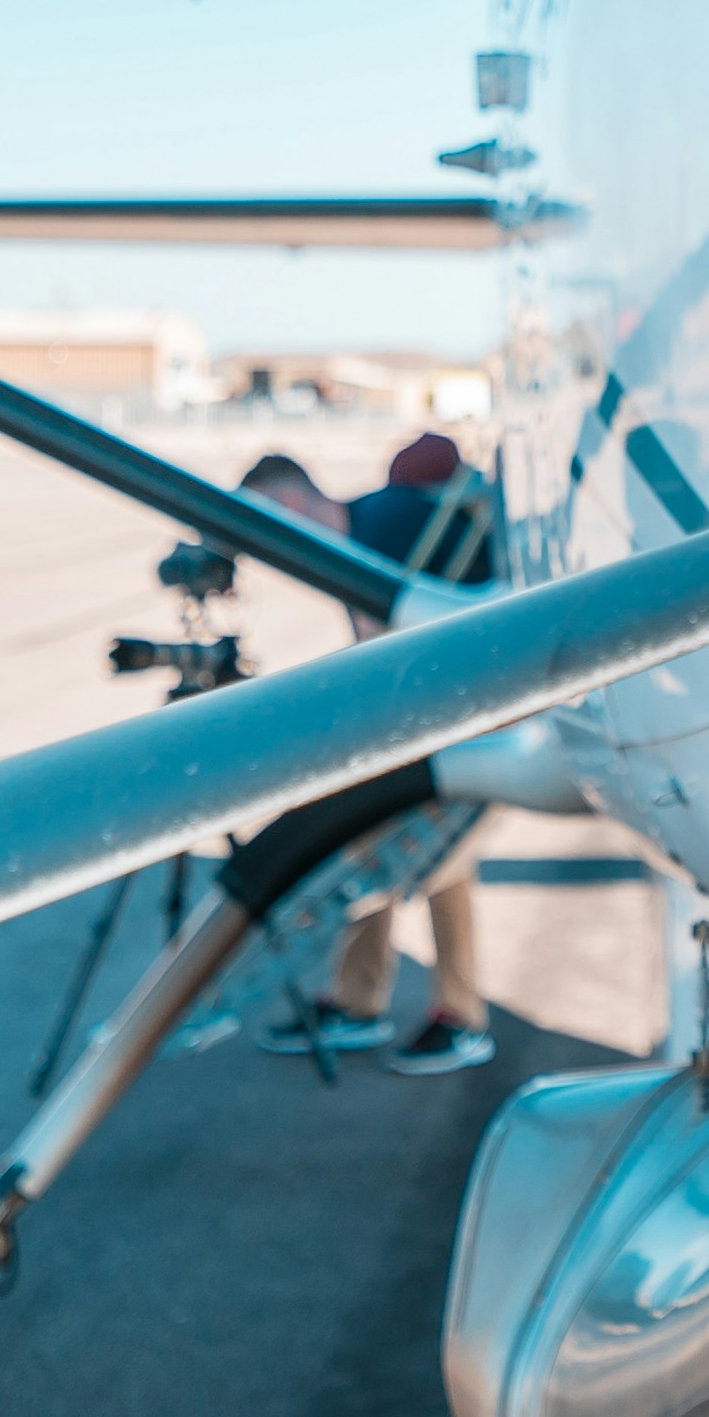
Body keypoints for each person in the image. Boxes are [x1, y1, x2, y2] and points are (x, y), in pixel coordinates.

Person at [245, 436, 501, 1074]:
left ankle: (460, 1017)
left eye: (266, 527)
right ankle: (360, 1002)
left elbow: (396, 647)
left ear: (289, 504)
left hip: (477, 710)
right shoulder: (367, 526)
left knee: (436, 858)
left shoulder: (383, 527)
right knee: (371, 839)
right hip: (442, 712)